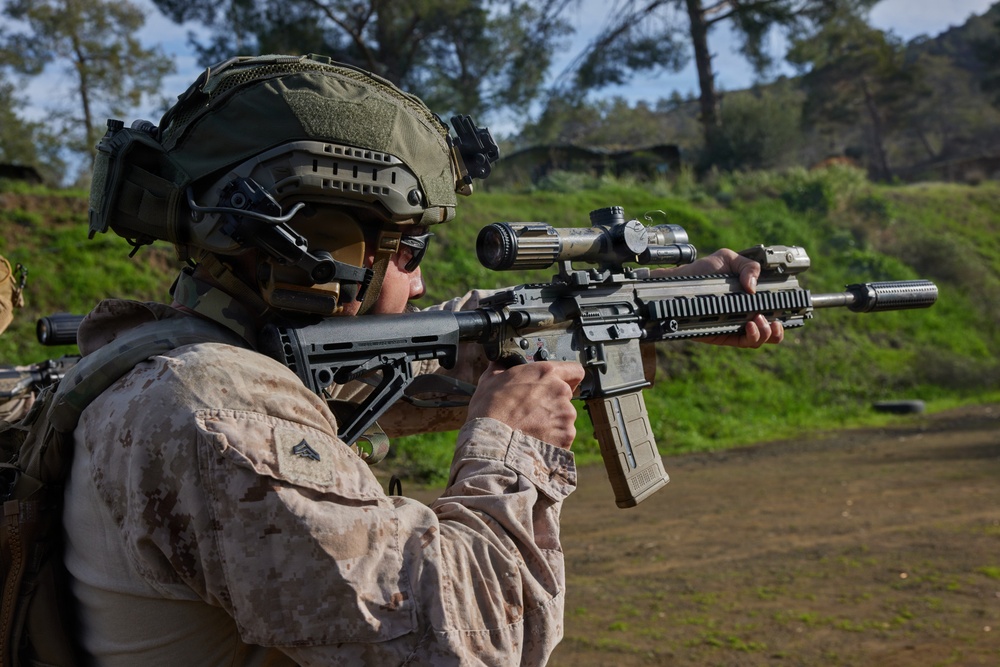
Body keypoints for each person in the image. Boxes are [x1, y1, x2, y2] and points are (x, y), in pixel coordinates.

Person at [67, 54, 782, 666]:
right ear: (319, 246)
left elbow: (433, 343)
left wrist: (655, 305)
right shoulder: (217, 416)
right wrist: (513, 445)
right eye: (409, 252)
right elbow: (466, 640)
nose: (420, 281)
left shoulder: (210, 357)